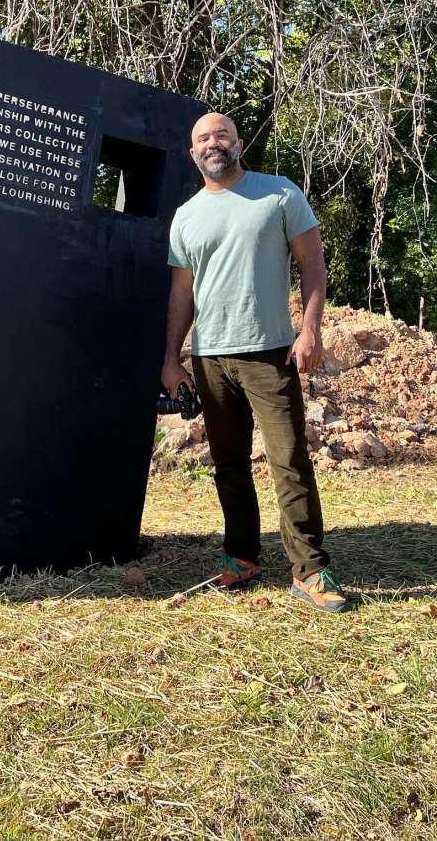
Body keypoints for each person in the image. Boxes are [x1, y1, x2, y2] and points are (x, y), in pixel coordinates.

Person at [161, 112, 352, 612]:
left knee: (289, 461)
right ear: (193, 152)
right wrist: (171, 358)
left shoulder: (278, 193)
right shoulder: (187, 216)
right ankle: (242, 556)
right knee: (228, 466)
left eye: (221, 134)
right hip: (209, 358)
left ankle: (310, 570)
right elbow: (182, 293)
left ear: (238, 143)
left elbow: (312, 261)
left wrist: (310, 329)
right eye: (202, 137)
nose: (213, 142)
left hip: (269, 351)